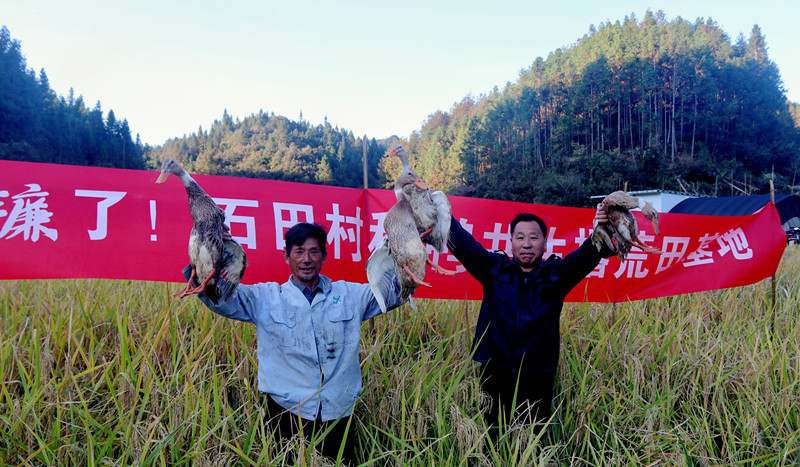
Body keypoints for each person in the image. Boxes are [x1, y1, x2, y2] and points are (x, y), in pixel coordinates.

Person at [183, 222, 404, 465]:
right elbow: (218, 297)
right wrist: (208, 250)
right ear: (286, 257)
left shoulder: (350, 296)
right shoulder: (265, 297)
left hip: (338, 412)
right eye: (299, 252)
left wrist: (404, 246)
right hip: (285, 412)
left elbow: (396, 291)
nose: (306, 259)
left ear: (324, 256)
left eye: (313, 251)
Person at [446, 205, 613, 438]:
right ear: (511, 241)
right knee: (493, 433)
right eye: (520, 237)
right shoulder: (493, 269)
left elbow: (590, 252)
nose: (527, 244)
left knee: (533, 438)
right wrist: (437, 209)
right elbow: (464, 245)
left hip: (537, 374)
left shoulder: (558, 275)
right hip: (494, 371)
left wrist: (604, 224)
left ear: (545, 242)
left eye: (534, 237)